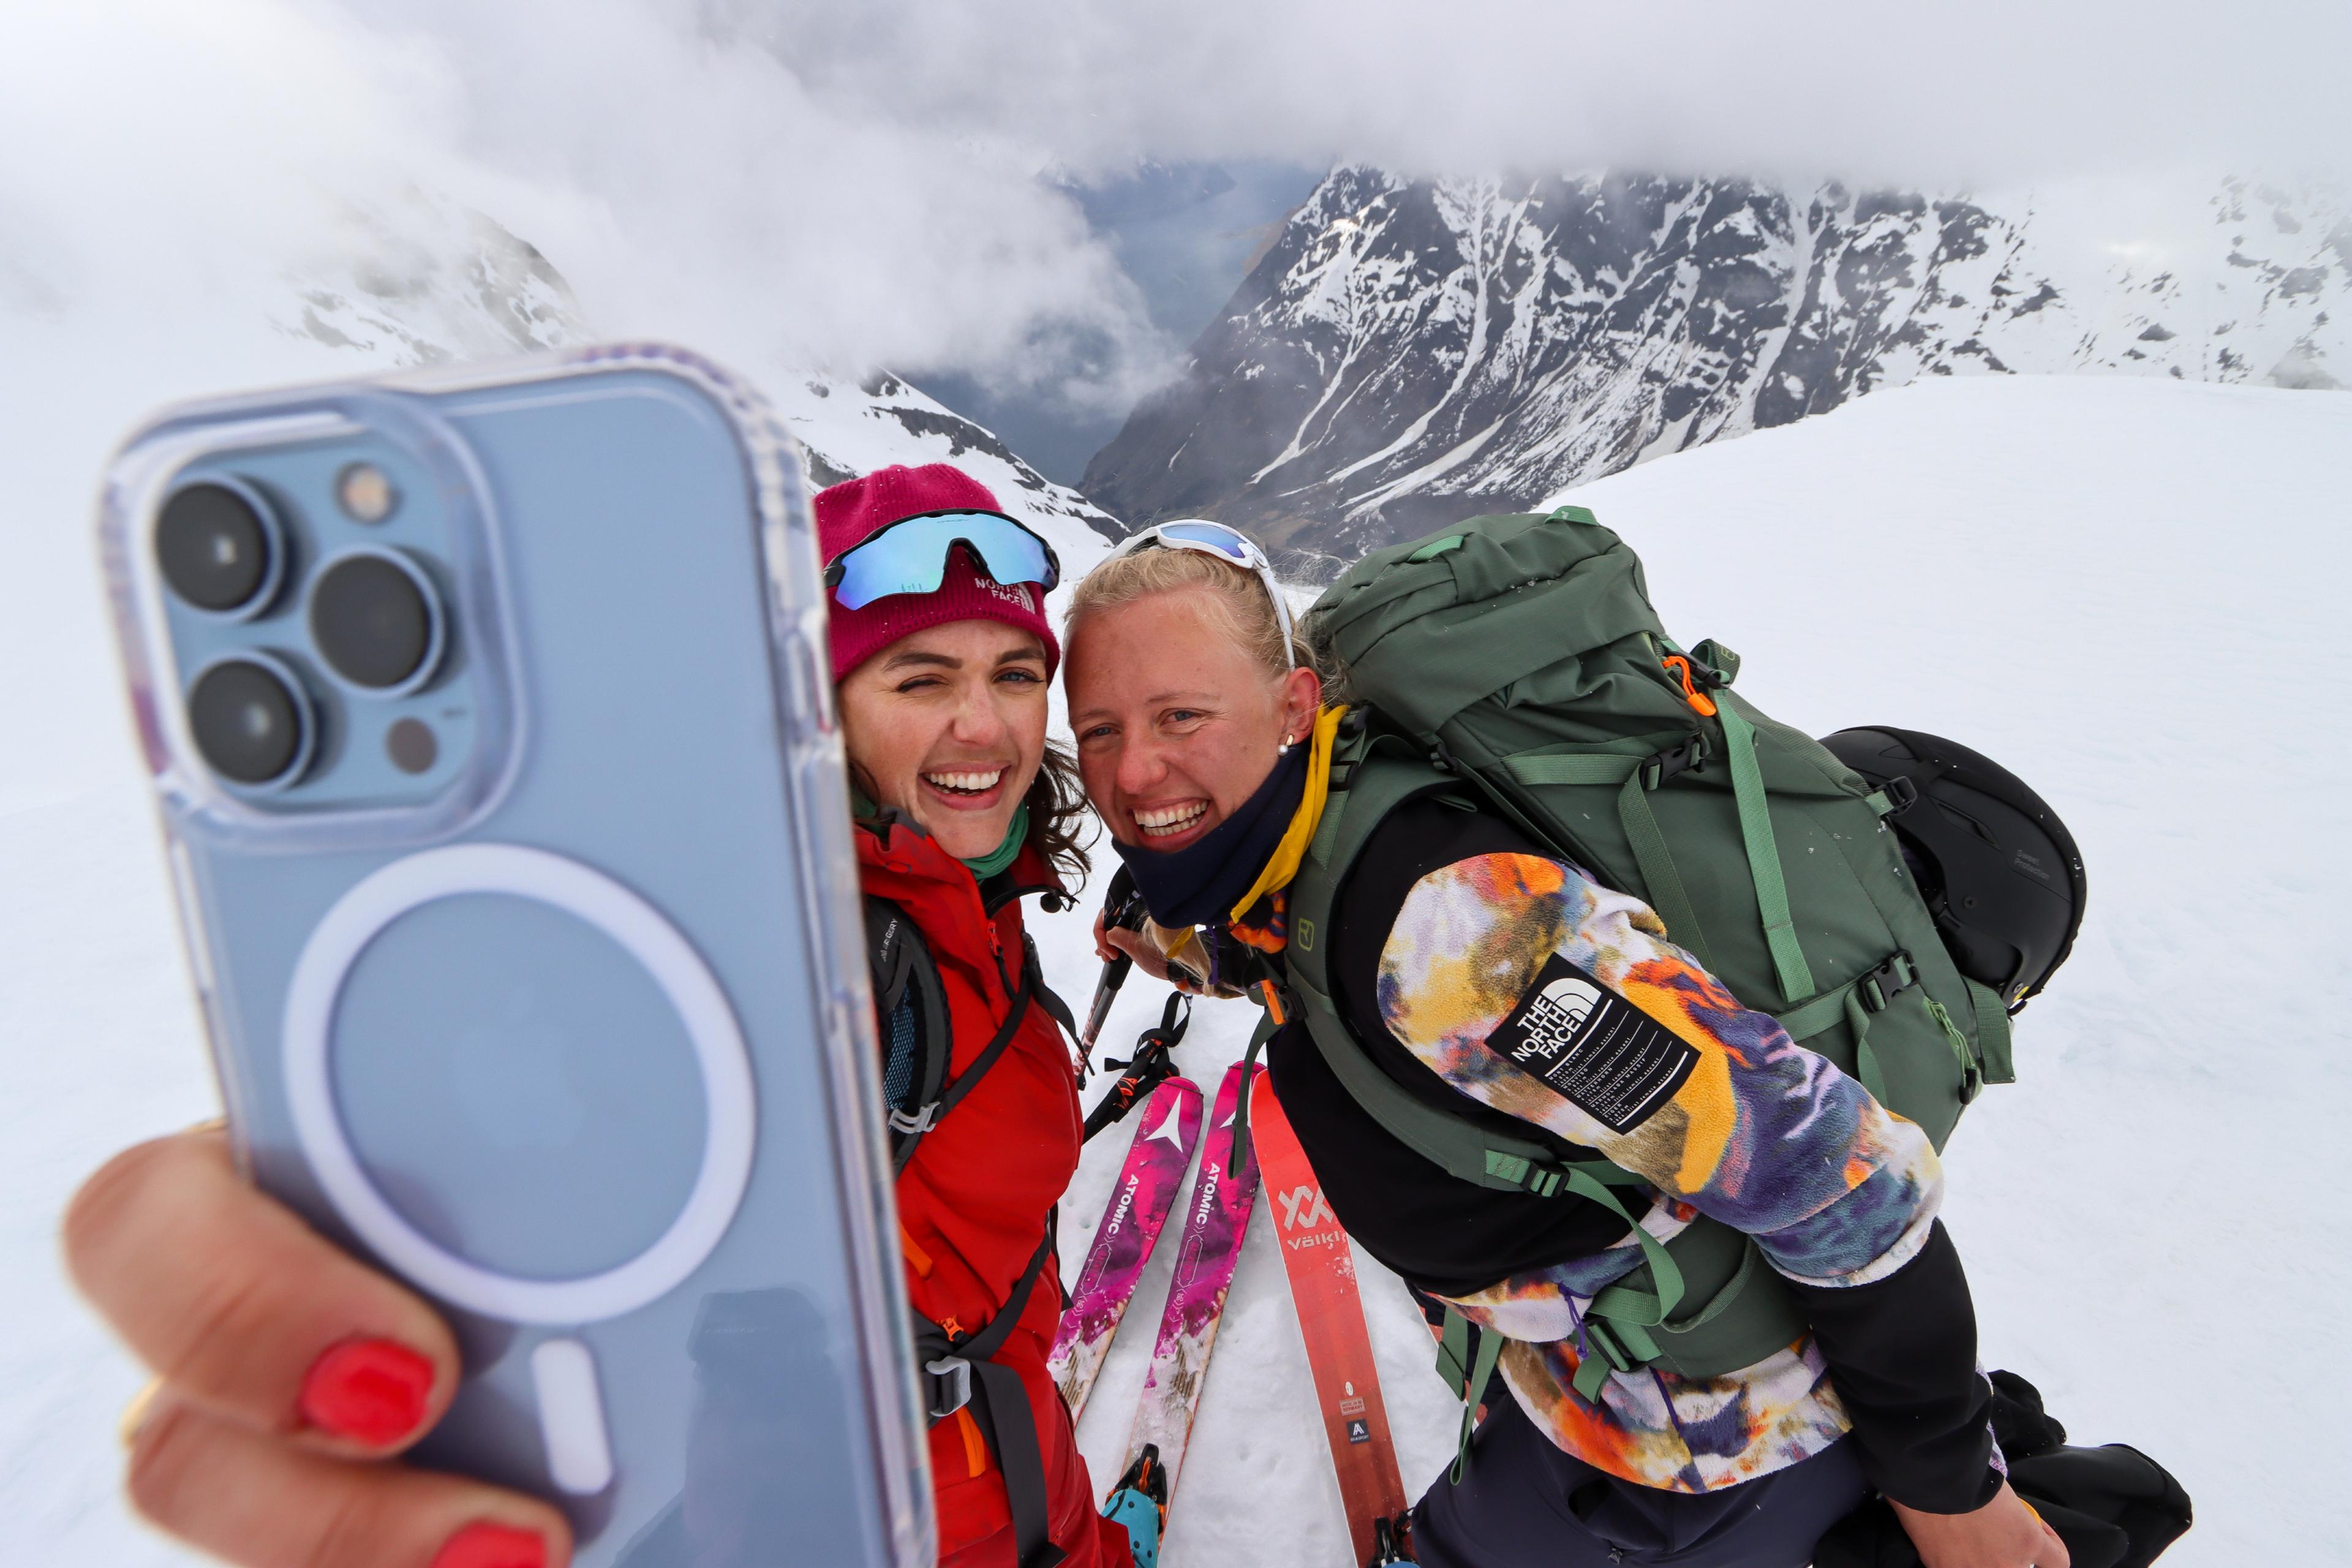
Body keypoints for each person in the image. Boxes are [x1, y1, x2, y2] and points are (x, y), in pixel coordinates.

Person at [63, 463, 1140, 1568]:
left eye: (1015, 674)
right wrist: (344, 1197)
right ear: (823, 713)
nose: (986, 725)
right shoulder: (781, 956)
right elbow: (569, 1123)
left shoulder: (972, 893)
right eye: (918, 682)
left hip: (1024, 1479)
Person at [1061, 521, 2075, 1568]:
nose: (1136, 769)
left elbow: (1845, 1179)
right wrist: (1181, 937)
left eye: (1181, 715)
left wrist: (1952, 1494)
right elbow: (1302, 938)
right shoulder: (1310, 821)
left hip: (1701, 1458)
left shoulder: (1467, 944)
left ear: (1293, 706)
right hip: (1575, 1395)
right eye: (1099, 731)